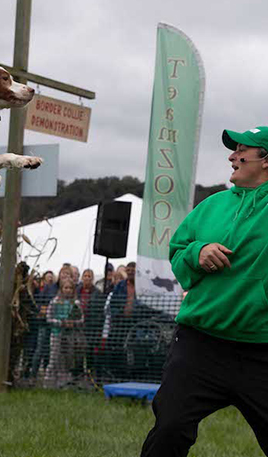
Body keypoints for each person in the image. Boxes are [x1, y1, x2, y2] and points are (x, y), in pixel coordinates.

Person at [141, 126, 268, 456]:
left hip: (261, 350)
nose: (232, 156)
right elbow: (179, 249)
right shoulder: (211, 205)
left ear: (266, 160)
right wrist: (198, 251)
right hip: (200, 345)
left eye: (242, 150)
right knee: (169, 429)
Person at [44, 278, 85, 388]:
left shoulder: (76, 303)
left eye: (70, 288)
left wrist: (73, 323)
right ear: (61, 289)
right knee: (54, 358)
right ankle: (48, 383)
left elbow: (81, 319)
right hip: (56, 333)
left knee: (67, 359)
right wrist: (60, 323)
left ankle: (63, 383)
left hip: (70, 335)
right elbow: (48, 318)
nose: (68, 290)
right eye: (65, 288)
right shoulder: (55, 301)